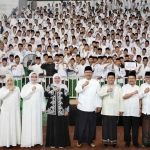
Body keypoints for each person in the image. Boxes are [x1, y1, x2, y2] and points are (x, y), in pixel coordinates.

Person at [74, 66, 102, 148]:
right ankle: (79, 140)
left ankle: (90, 141)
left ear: (92, 73)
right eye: (86, 72)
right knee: (81, 125)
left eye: (90, 72)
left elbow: (98, 95)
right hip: (82, 107)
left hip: (92, 107)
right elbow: (77, 90)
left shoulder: (96, 82)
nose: (88, 74)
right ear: (84, 73)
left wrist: (99, 105)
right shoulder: (80, 81)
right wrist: (83, 85)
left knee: (91, 125)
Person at [44, 73, 71, 148]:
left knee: (61, 127)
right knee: (52, 127)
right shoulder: (50, 86)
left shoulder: (64, 87)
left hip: (61, 111)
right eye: (55, 78)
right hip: (52, 111)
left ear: (60, 79)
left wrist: (66, 110)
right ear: (53, 79)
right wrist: (53, 90)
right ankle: (52, 143)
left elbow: (66, 99)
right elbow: (46, 95)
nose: (57, 80)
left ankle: (61, 143)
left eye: (58, 78)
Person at [20, 72, 46, 148]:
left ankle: (36, 140)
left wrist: (43, 108)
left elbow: (42, 98)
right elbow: (23, 96)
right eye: (32, 76)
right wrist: (31, 90)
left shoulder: (40, 86)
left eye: (35, 76)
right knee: (28, 123)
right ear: (29, 77)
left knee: (36, 123)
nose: (34, 78)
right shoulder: (26, 86)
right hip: (28, 109)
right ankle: (28, 140)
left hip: (37, 109)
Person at [99, 72, 124, 148]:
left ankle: (114, 142)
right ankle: (105, 141)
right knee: (105, 126)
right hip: (106, 110)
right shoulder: (103, 87)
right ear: (107, 79)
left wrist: (121, 109)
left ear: (114, 79)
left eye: (112, 78)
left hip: (115, 110)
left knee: (114, 126)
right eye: (109, 78)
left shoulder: (118, 87)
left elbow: (121, 99)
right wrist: (107, 91)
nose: (111, 79)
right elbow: (99, 95)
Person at [0, 74, 21, 148]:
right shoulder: (3, 89)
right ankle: (6, 143)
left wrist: (18, 108)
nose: (9, 82)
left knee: (14, 125)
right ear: (6, 81)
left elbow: (18, 99)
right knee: (6, 126)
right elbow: (1, 97)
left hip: (15, 111)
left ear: (13, 81)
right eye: (8, 80)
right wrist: (9, 90)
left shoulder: (17, 88)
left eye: (11, 80)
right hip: (6, 111)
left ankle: (14, 141)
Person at [122, 71, 142, 148]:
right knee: (126, 128)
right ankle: (127, 141)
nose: (131, 80)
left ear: (135, 79)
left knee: (135, 128)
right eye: (130, 78)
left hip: (136, 111)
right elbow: (124, 96)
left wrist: (140, 108)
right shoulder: (124, 87)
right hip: (126, 111)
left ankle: (135, 142)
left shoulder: (138, 87)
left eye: (133, 78)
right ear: (128, 79)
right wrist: (133, 93)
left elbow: (140, 99)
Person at [139, 71, 150, 147]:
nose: (148, 79)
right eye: (147, 77)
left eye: (149, 77)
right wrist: (144, 91)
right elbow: (139, 96)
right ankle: (145, 143)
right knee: (146, 127)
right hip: (146, 110)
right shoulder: (142, 85)